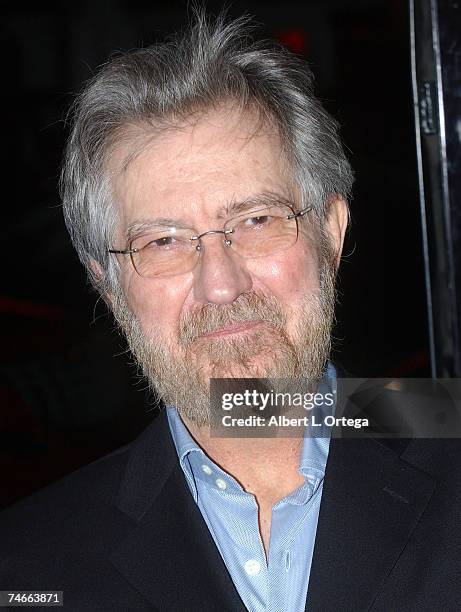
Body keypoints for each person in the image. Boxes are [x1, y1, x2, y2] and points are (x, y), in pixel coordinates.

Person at [1, 11, 461, 612]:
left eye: (257, 221)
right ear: (108, 286)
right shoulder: (25, 566)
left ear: (331, 231)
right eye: (162, 242)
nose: (220, 284)